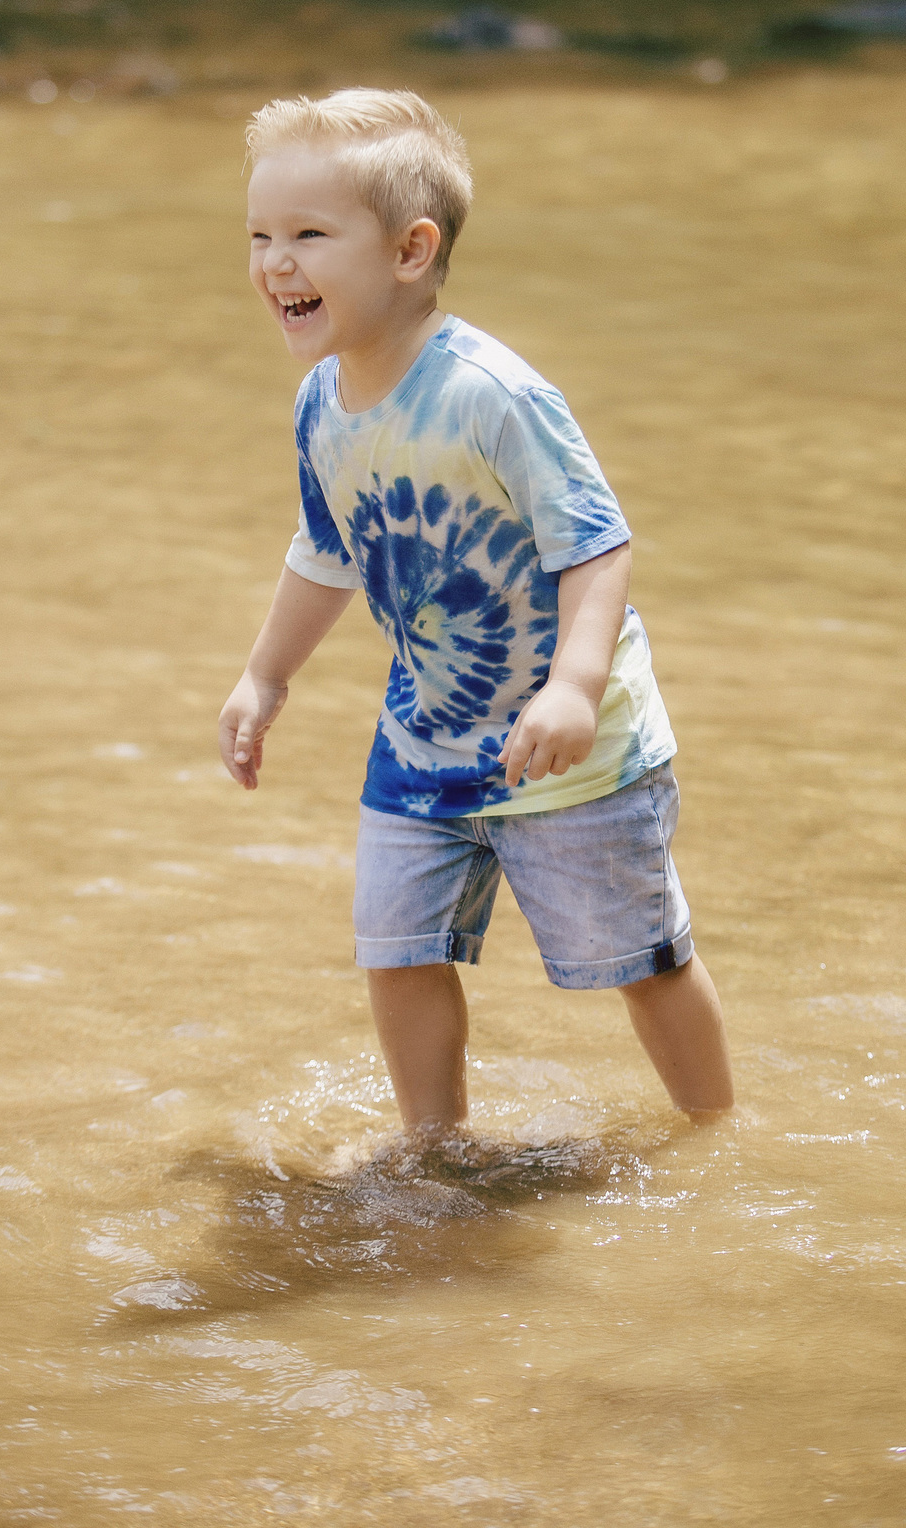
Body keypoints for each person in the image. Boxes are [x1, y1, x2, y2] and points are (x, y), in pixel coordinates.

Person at [218, 87, 734, 1128]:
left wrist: (575, 688)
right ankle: (432, 1151)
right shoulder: (322, 400)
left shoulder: (491, 394)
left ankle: (718, 1132)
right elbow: (328, 552)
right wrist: (265, 675)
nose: (276, 261)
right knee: (397, 950)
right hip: (424, 740)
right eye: (261, 235)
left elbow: (596, 546)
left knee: (637, 958)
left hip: (570, 752)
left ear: (410, 251)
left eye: (310, 235)